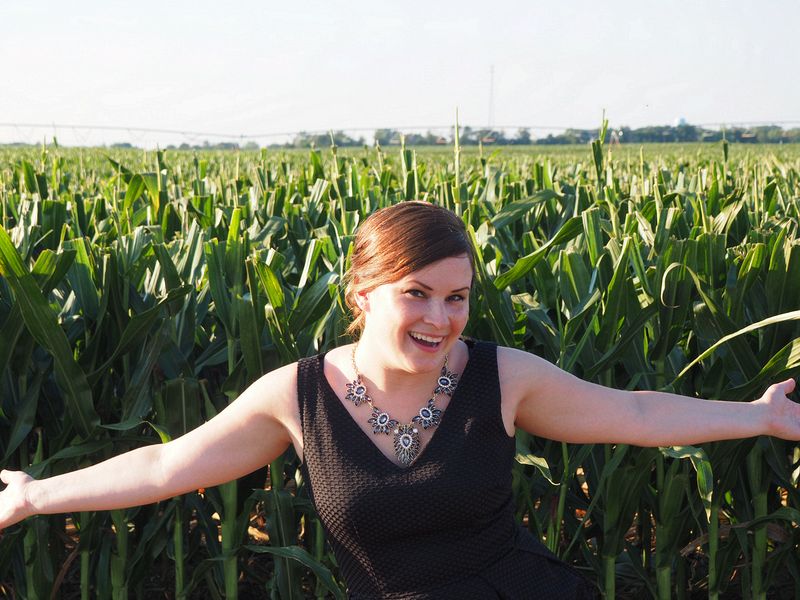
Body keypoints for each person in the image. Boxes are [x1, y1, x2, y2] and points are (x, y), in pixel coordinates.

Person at [0, 200, 798, 599]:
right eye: (418, 294)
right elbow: (168, 464)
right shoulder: (295, 396)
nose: (443, 319)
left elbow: (634, 415)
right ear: (364, 290)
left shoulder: (501, 375)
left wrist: (760, 415)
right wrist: (36, 496)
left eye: (458, 298)